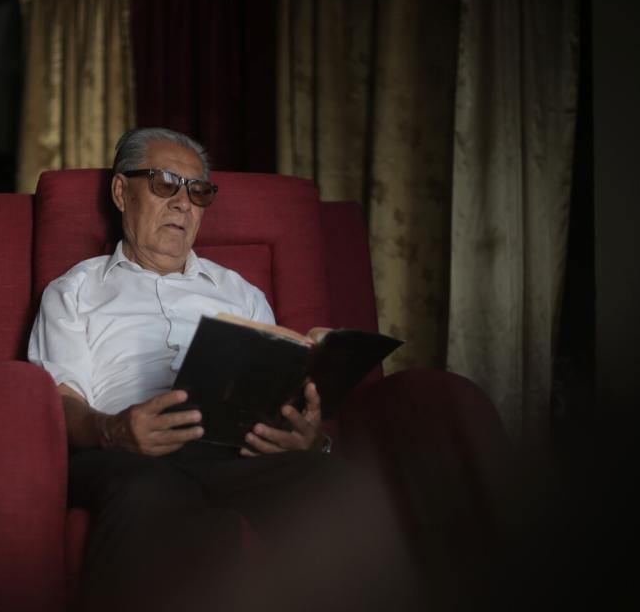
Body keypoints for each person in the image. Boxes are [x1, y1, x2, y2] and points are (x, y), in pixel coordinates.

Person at [28, 128, 412, 611]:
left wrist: (307, 439)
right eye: (165, 183)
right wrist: (112, 431)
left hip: (237, 454)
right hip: (129, 453)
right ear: (122, 191)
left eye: (198, 191)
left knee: (344, 486)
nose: (183, 204)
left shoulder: (241, 293)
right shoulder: (73, 291)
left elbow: (279, 383)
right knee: (149, 494)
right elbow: (60, 402)